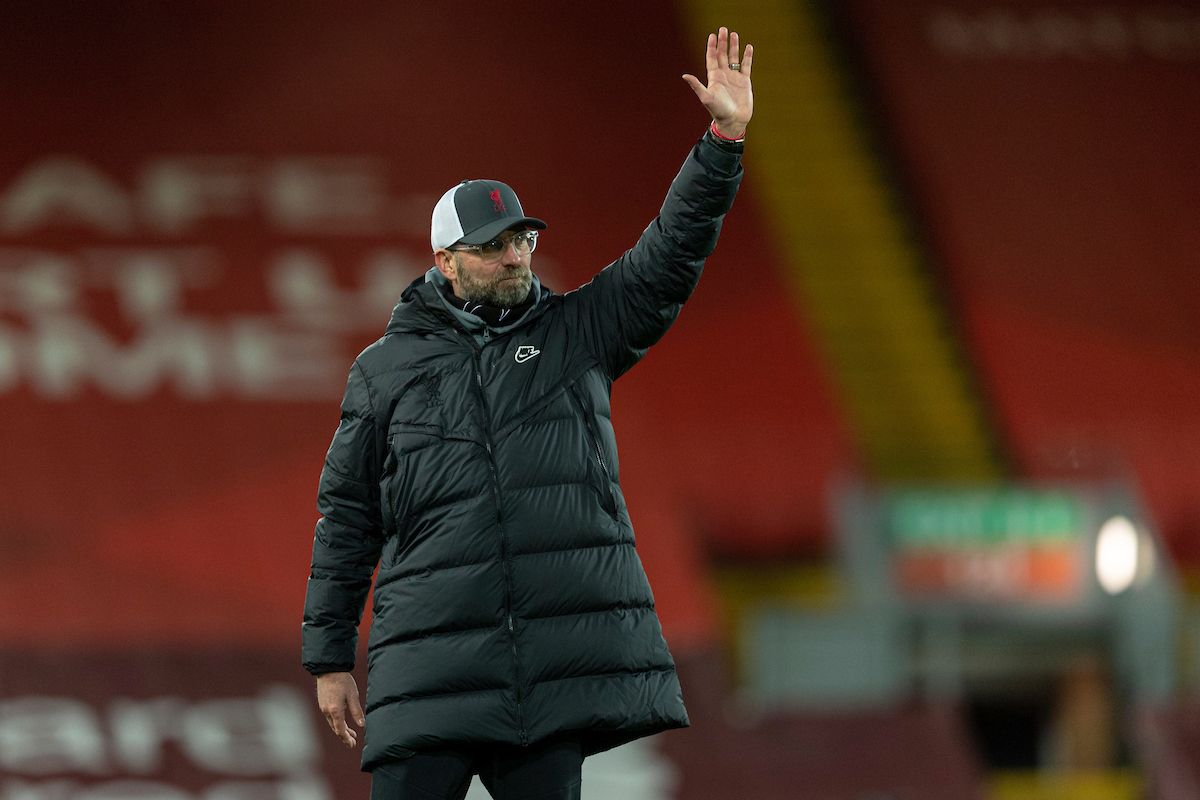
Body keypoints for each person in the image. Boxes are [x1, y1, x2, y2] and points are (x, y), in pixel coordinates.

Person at [302, 26, 754, 800]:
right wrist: (330, 657)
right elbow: (347, 517)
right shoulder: (384, 372)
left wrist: (723, 141)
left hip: (547, 678)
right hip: (430, 670)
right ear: (443, 262)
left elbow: (669, 255)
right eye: (493, 247)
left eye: (521, 239)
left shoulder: (578, 334)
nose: (515, 257)